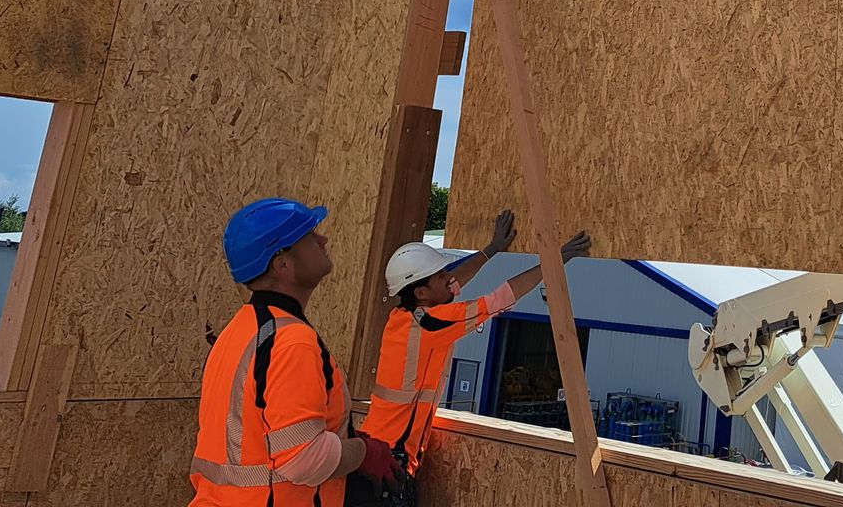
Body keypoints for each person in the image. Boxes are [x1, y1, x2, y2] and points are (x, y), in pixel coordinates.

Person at [359, 208, 592, 491]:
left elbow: (451, 283)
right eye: (440, 274)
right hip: (390, 466)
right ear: (421, 292)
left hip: (372, 452)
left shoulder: (404, 316)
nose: (449, 277)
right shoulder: (432, 322)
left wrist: (492, 250)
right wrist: (556, 261)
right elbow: (499, 299)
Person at [190, 198, 398, 506]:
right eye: (309, 235)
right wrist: (366, 452)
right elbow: (305, 459)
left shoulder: (240, 330)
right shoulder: (291, 341)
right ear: (282, 264)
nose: (322, 239)